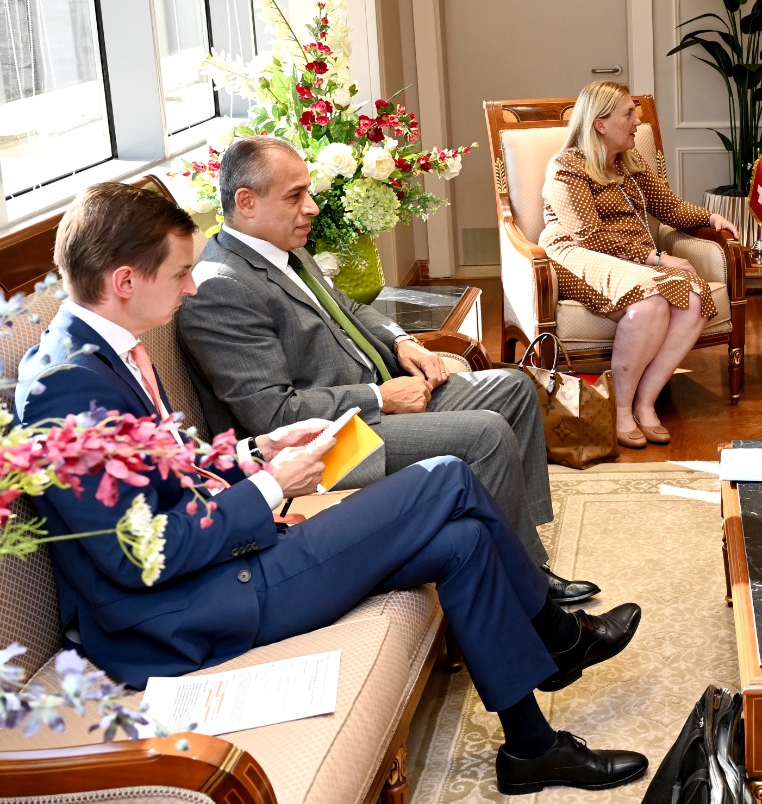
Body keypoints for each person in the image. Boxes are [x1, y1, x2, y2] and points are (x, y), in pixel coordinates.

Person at [16, 183, 649, 794]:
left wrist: (257, 452)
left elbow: (168, 473)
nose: (192, 285)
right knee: (448, 477)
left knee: (462, 542)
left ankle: (531, 749)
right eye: (181, 273)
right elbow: (139, 555)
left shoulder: (105, 353)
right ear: (125, 281)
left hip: (216, 568)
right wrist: (270, 486)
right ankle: (557, 636)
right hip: (181, 612)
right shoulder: (66, 387)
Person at [174, 135, 596, 606]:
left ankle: (524, 553)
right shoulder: (222, 287)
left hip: (372, 397)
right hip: (329, 440)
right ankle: (523, 586)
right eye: (295, 196)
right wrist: (381, 398)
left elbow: (350, 308)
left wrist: (402, 341)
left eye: (308, 191)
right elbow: (274, 414)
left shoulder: (283, 248)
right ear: (246, 202)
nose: (312, 207)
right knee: (487, 433)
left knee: (513, 388)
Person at [539, 81, 736, 449]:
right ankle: (620, 410)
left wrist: (710, 217)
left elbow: (670, 207)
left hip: (634, 261)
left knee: (695, 299)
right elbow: (588, 235)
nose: (637, 121)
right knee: (651, 303)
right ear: (600, 123)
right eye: (628, 113)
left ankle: (645, 402)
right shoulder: (567, 167)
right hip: (579, 256)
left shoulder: (630, 162)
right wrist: (657, 258)